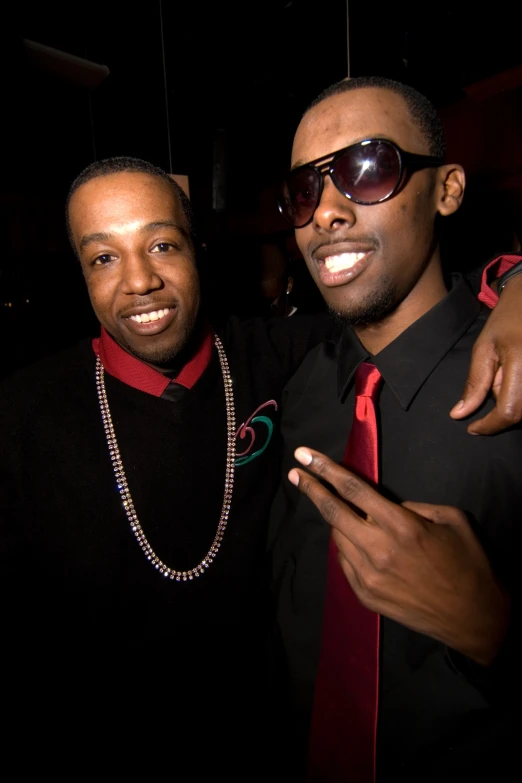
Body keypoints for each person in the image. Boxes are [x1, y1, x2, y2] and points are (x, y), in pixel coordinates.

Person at [0, 150, 520, 776]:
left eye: (161, 246)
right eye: (104, 257)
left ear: (198, 249)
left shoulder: (275, 355)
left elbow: (407, 305)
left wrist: (515, 284)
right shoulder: (20, 414)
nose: (138, 281)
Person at [269, 76, 522, 782]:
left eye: (369, 168)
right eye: (303, 191)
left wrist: (496, 628)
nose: (326, 213)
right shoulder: (294, 387)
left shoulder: (514, 381)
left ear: (446, 190)